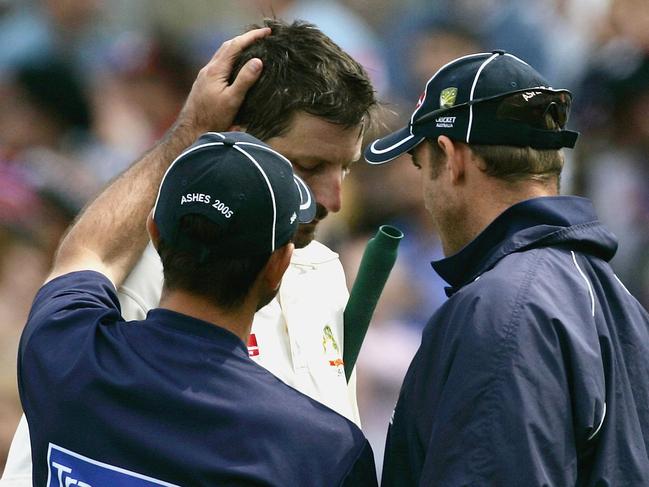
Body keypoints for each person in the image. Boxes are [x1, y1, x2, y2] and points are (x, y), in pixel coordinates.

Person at [2, 18, 376, 484]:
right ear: (236, 141)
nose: (332, 199)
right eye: (309, 166)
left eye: (346, 168)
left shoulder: (322, 273)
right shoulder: (134, 281)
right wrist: (191, 128)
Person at [365, 51, 649, 485]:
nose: (425, 193)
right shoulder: (617, 297)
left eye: (422, 168)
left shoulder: (502, 308)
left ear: (452, 157)